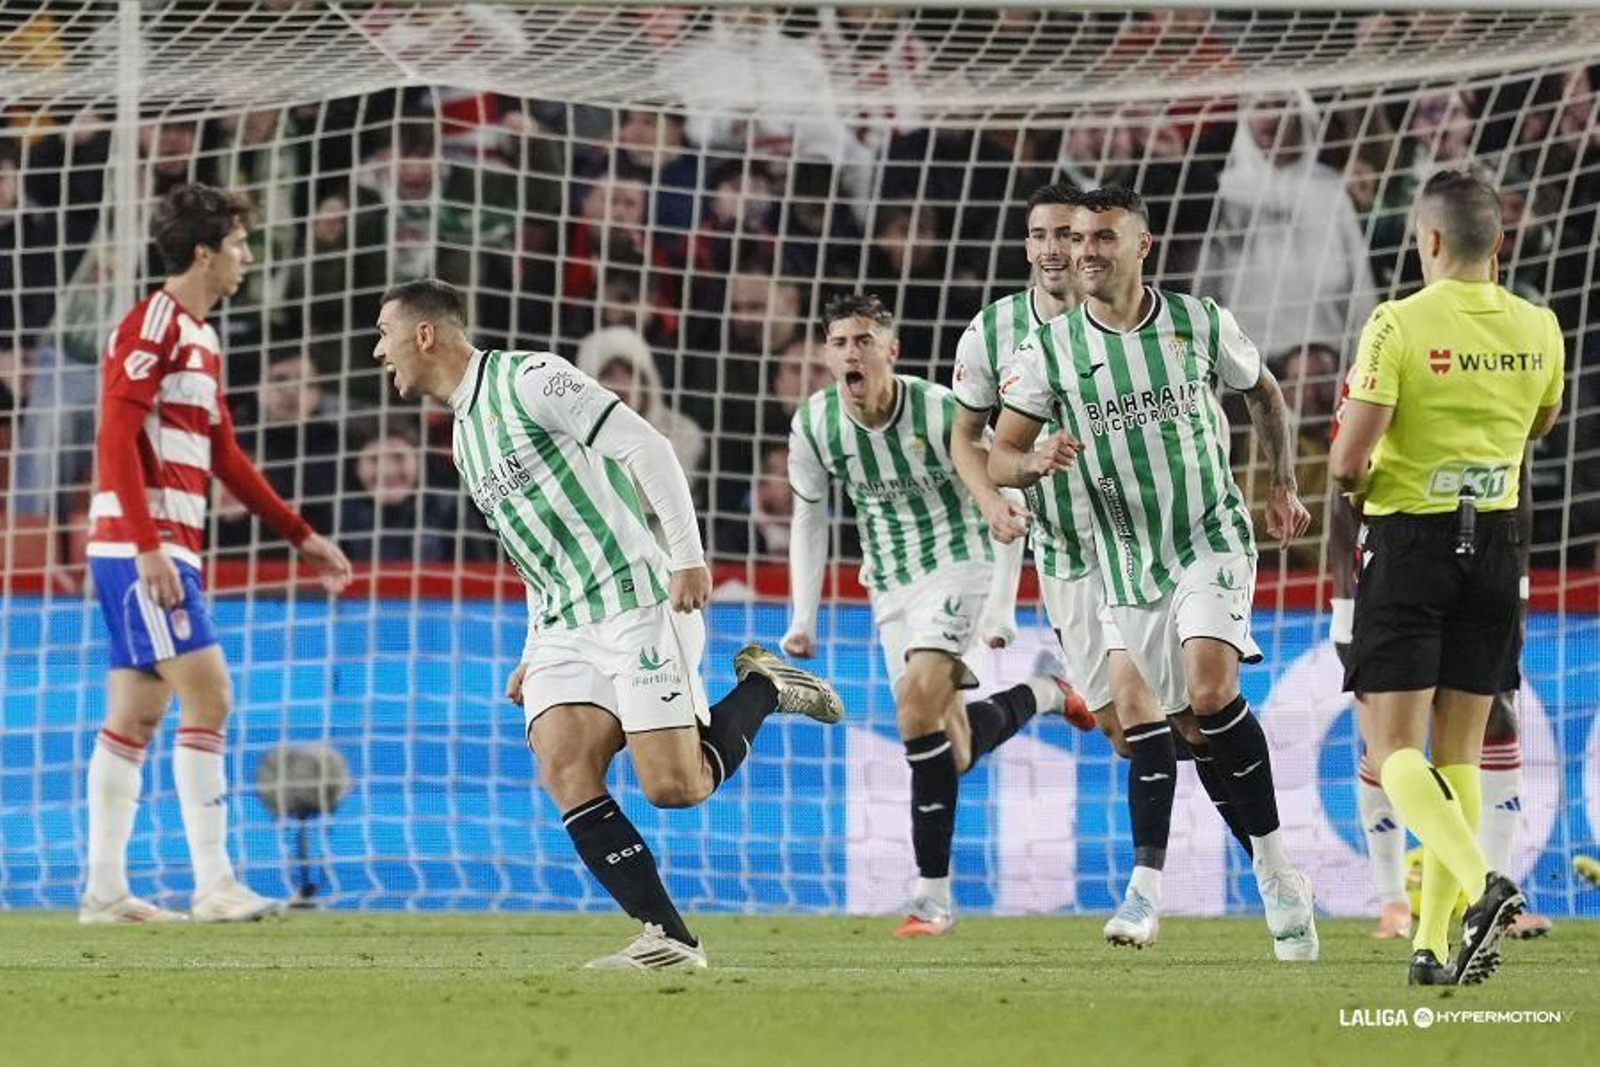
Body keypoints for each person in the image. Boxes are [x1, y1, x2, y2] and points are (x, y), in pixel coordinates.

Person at [372, 278, 844, 970]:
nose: (378, 351)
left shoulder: (532, 378)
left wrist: (687, 557)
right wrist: (533, 647)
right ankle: (670, 937)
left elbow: (646, 445)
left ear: (425, 334)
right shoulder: (464, 438)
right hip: (564, 622)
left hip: (638, 603)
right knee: (563, 761)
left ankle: (765, 688)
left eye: (384, 333)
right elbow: (534, 554)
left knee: (673, 788)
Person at [991, 185, 1319, 962]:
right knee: (1186, 726)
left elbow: (1263, 391)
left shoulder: (1201, 323)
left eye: (1106, 239)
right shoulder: (1052, 351)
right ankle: (1272, 871)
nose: (1089, 252)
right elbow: (999, 451)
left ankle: (1272, 869)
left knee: (1211, 692)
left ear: (1143, 245)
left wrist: (1281, 482)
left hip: (1211, 533)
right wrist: (1031, 465)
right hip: (1128, 561)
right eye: (1082, 241)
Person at [81, 183, 353, 924]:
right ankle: (214, 883)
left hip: (165, 545)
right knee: (213, 695)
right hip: (143, 546)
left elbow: (223, 452)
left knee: (136, 715)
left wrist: (301, 535)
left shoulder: (200, 335)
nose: (248, 256)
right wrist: (148, 547)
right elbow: (113, 437)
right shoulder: (152, 326)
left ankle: (105, 891)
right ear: (204, 252)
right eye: (238, 244)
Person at [781, 292, 1091, 939]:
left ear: (891, 350)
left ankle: (932, 898)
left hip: (963, 562)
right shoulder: (814, 426)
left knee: (915, 709)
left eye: (864, 341)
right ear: (825, 355)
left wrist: (1002, 606)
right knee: (952, 747)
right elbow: (809, 515)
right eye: (839, 343)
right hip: (889, 584)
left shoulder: (940, 412)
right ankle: (1045, 691)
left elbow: (1003, 492)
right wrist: (801, 615)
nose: (851, 353)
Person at [1329, 169, 1564, 985]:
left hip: (1409, 544)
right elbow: (1539, 424)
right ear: (1499, 242)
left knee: (1392, 746)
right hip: (1497, 544)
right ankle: (1431, 949)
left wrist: (1358, 480)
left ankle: (1481, 883)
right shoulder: (1541, 326)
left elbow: (1348, 461)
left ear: (1426, 239)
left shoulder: (1396, 324)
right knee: (1459, 754)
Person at [1333, 464, 1553, 942]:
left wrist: (1520, 582)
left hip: (1476, 555)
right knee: (1393, 740)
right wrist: (1343, 602)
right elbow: (1346, 484)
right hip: (1402, 555)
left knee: (1477, 728)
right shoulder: (1393, 393)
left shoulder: (1497, 391)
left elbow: (1520, 476)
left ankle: (1477, 898)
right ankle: (1399, 902)